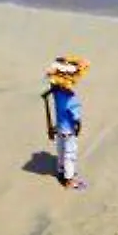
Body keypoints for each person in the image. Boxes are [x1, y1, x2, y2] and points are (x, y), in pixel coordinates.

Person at [41, 59, 87, 190]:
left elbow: (52, 85)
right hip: (69, 130)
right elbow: (76, 119)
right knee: (70, 154)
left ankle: (61, 171)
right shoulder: (71, 98)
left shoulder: (57, 93)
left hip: (59, 127)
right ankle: (69, 179)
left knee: (60, 150)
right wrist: (78, 128)